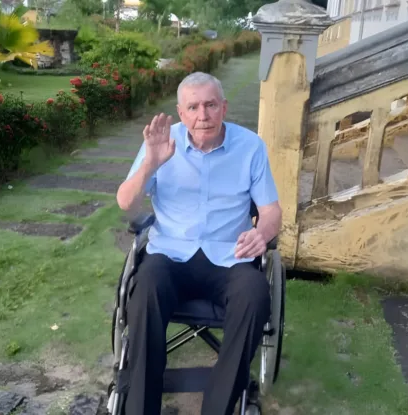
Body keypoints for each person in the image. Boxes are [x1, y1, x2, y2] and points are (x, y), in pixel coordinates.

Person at [115, 71, 283, 415]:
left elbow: (272, 212)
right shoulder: (162, 144)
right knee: (145, 287)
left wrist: (261, 233)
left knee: (254, 294)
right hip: (170, 255)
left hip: (230, 255)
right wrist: (150, 163)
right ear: (181, 112)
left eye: (210, 105)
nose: (202, 115)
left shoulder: (250, 146)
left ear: (224, 108)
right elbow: (126, 203)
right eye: (193, 107)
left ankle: (218, 407)